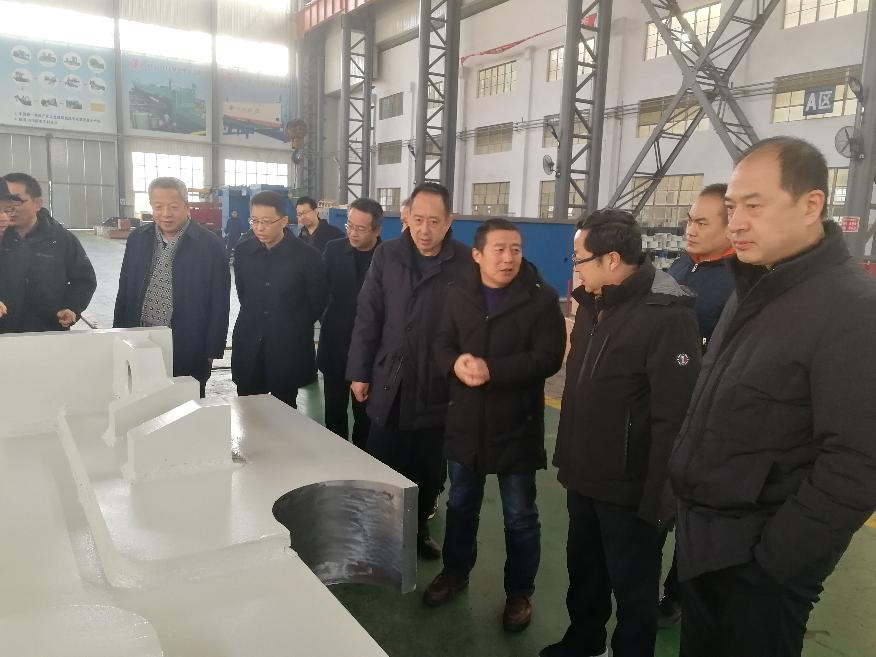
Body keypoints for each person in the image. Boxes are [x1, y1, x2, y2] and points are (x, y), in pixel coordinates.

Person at [669, 136, 876, 657]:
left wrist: (770, 566)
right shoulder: (754, 289)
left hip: (758, 568)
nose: (735, 223)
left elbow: (858, 463)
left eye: (754, 206)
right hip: (705, 542)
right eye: (732, 207)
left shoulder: (852, 310)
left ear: (811, 205)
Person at [541, 209, 701, 657]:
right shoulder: (595, 304)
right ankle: (584, 640)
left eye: (579, 258)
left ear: (611, 259)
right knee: (584, 570)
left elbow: (675, 418)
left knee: (633, 589)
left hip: (630, 489)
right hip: (585, 474)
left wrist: (657, 500)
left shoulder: (666, 315)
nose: (575, 268)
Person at [422, 218, 566, 633]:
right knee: (461, 504)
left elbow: (549, 357)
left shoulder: (541, 298)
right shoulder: (456, 294)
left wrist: (493, 370)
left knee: (520, 515)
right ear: (478, 255)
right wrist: (455, 363)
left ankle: (519, 592)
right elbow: (440, 344)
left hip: (516, 425)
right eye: (499, 250)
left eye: (515, 249)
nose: (508, 258)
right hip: (465, 421)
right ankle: (455, 572)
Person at [347, 181, 471, 560]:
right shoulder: (388, 255)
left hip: (437, 384)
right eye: (418, 219)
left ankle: (416, 533)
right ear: (407, 217)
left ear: (448, 222)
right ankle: (376, 539)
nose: (424, 229)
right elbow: (368, 315)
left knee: (428, 468)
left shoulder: (465, 262)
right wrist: (359, 371)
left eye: (434, 221)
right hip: (391, 378)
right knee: (382, 460)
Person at [657, 183, 735, 628]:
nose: (690, 228)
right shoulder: (681, 265)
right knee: (655, 511)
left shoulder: (738, 284)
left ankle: (677, 596)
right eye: (689, 219)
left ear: (729, 227)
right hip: (665, 412)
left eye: (702, 222)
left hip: (705, 421)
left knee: (691, 518)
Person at [113, 177, 230, 397]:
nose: (166, 214)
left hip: (188, 342)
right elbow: (125, 289)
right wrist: (118, 334)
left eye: (174, 207)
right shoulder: (138, 239)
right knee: (141, 400)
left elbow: (220, 301)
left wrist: (212, 348)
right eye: (158, 207)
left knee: (186, 404)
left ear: (186, 206)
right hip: (140, 338)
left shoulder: (210, 245)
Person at [231, 191, 328, 409]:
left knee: (284, 408)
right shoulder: (244, 251)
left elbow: (317, 301)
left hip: (287, 346)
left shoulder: (307, 256)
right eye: (254, 220)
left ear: (284, 221)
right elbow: (243, 293)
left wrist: (292, 323)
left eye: (266, 222)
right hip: (250, 341)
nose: (259, 227)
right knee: (248, 409)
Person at [318, 197, 382, 445]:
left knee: (365, 417)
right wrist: (328, 317)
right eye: (349, 226)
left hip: (371, 352)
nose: (353, 233)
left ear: (376, 229)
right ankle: (336, 458)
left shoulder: (387, 257)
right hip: (335, 345)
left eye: (360, 228)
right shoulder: (334, 250)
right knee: (334, 412)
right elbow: (320, 291)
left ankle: (364, 460)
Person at [0, 173, 96, 334]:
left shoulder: (61, 239)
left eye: (16, 201)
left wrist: (71, 307)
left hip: (49, 331)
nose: (10, 208)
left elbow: (84, 280)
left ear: (37, 203)